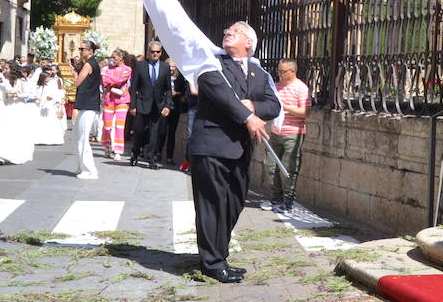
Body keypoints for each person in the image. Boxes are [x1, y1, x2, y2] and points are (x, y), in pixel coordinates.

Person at [189, 21, 280, 283]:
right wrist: (248, 117)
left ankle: (220, 255)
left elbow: (273, 104)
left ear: (249, 43)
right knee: (211, 205)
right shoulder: (213, 62)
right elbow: (219, 94)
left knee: (233, 203)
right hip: (211, 145)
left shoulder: (259, 73)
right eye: (227, 30)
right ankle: (212, 263)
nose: (227, 33)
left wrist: (253, 105)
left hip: (239, 150)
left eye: (235, 32)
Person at [263, 59, 311, 214]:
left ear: (292, 71)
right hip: (276, 131)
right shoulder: (276, 87)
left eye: (283, 71)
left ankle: (288, 201)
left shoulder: (301, 88)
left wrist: (286, 108)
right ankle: (276, 198)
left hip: (293, 133)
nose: (280, 74)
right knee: (270, 166)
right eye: (279, 71)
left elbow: (305, 112)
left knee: (290, 167)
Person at [131, 39, 172, 169]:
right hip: (142, 104)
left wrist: (168, 105)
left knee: (155, 133)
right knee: (139, 131)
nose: (155, 54)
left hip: (158, 105)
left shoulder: (165, 67)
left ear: (161, 53)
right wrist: (132, 105)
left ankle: (152, 159)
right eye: (152, 52)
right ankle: (135, 154)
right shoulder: (140, 65)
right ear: (148, 52)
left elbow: (168, 89)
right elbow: (134, 87)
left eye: (157, 52)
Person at [71, 42, 101, 179]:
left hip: (89, 104)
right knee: (78, 137)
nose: (80, 51)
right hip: (87, 104)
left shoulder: (89, 64)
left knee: (83, 138)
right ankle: (81, 166)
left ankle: (90, 170)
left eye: (82, 49)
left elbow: (78, 82)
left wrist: (73, 74)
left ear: (89, 51)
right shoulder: (91, 63)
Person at [100, 49, 132, 161]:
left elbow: (120, 80)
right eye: (111, 57)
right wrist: (110, 80)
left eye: (114, 57)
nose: (112, 59)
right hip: (109, 100)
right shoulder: (107, 69)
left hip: (122, 100)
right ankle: (107, 145)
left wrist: (109, 79)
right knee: (107, 126)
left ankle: (118, 150)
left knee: (119, 126)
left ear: (121, 58)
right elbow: (104, 82)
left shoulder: (127, 69)